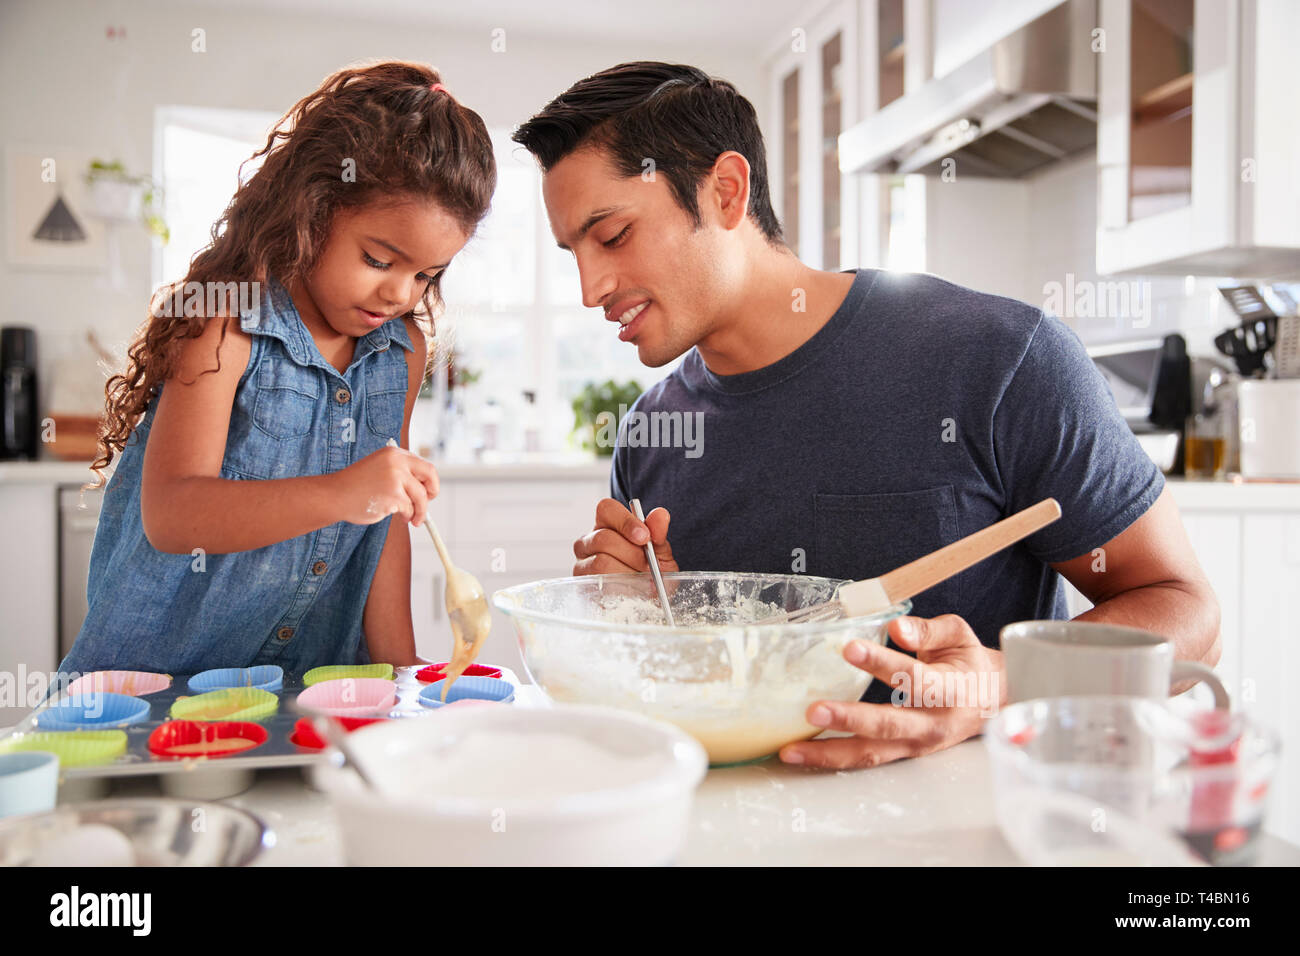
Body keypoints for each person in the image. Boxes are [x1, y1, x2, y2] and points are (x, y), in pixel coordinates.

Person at [512, 61, 1220, 769]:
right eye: (572, 251)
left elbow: (1185, 609)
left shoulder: (996, 357)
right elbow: (707, 697)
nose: (589, 288)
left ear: (725, 191)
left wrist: (1004, 682)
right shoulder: (651, 437)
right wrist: (648, 618)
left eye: (611, 236)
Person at [57, 62, 495, 680]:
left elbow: (382, 522)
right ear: (312, 210)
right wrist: (343, 492)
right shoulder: (223, 323)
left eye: (425, 274)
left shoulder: (401, 350)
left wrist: (399, 668)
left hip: (310, 684)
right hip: (154, 686)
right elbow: (174, 515)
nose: (400, 291)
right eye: (378, 258)